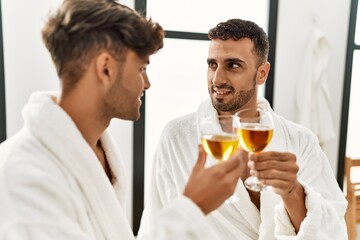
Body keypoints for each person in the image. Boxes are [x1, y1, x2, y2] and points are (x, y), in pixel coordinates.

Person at [0, 1, 245, 239]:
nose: (147, 83)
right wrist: (192, 207)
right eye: (141, 68)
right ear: (106, 68)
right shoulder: (22, 176)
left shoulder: (96, 153)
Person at [138, 19, 348, 239]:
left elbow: (332, 230)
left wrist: (292, 191)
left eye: (233, 65)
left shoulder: (301, 141)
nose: (217, 79)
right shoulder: (176, 137)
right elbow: (156, 225)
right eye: (212, 65)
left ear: (262, 73)